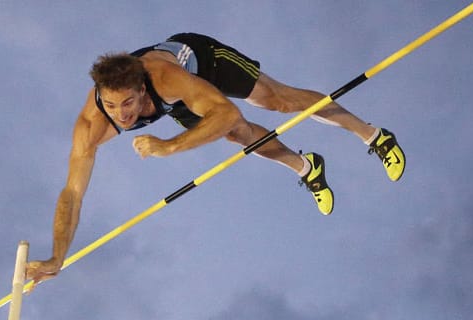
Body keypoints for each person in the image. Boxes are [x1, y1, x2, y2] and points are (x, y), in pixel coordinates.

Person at [25, 32, 405, 286]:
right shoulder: (92, 121)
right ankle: (307, 167)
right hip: (178, 104)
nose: (122, 115)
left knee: (276, 100)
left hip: (202, 63)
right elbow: (72, 193)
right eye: (112, 105)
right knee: (237, 136)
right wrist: (58, 255)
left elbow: (226, 111)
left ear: (141, 89)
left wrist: (169, 146)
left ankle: (373, 135)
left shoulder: (164, 78)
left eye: (128, 103)